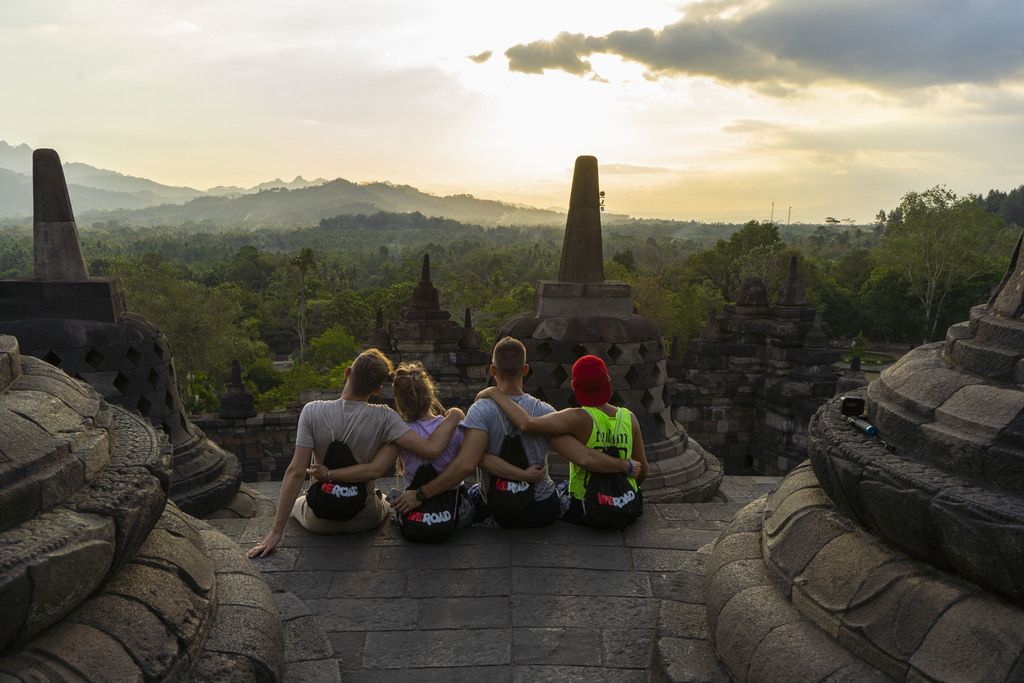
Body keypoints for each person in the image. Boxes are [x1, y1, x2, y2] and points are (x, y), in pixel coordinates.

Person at [394, 337, 640, 527]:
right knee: (561, 488)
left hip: (498, 509)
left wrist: (422, 495)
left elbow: (466, 465)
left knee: (472, 494)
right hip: (541, 508)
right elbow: (583, 457)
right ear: (526, 369)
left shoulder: (481, 410)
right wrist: (623, 465)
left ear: (492, 371)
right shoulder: (544, 410)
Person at [248, 349, 462, 558]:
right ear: (377, 390)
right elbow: (428, 450)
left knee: (300, 503)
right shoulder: (385, 417)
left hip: (319, 521)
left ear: (348, 372)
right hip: (365, 519)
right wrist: (454, 414)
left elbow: (295, 472)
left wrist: (275, 533)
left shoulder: (312, 411)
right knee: (385, 500)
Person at [477, 354, 648, 525]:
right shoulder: (629, 418)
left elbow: (526, 423)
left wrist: (494, 392)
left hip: (586, 505)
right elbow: (643, 470)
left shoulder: (576, 418)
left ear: (574, 386)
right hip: (628, 501)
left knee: (558, 492)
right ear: (608, 380)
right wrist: (622, 487)